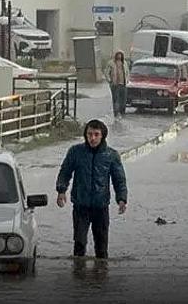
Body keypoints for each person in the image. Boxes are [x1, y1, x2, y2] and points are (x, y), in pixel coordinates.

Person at [56, 119, 128, 260]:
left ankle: (101, 272)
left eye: (96, 134)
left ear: (102, 136)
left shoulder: (111, 155)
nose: (92, 138)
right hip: (80, 206)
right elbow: (65, 172)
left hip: (101, 207)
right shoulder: (75, 152)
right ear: (85, 135)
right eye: (89, 134)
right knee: (79, 244)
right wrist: (61, 191)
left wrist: (121, 199)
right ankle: (78, 271)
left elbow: (119, 179)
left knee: (101, 247)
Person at [104, 51, 130, 116]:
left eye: (120, 55)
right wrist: (110, 81)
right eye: (118, 55)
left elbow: (127, 72)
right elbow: (106, 73)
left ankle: (122, 112)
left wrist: (127, 80)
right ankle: (116, 113)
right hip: (115, 84)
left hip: (123, 84)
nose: (119, 56)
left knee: (123, 100)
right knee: (116, 99)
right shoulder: (111, 63)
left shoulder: (124, 63)